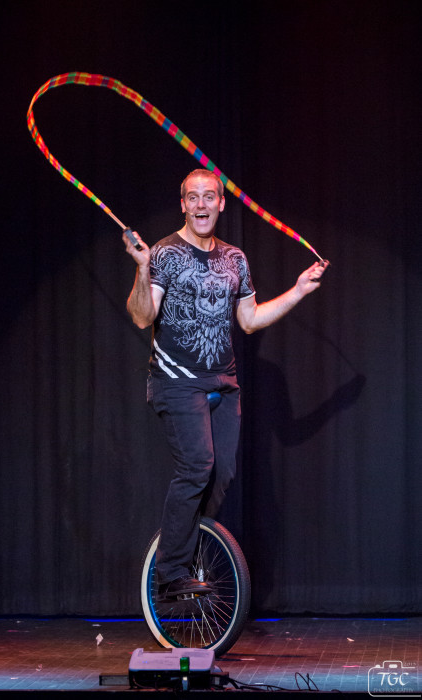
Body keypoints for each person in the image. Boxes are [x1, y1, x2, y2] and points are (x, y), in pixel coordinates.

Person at [123, 168, 329, 598]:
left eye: (209, 196)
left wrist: (298, 291)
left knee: (223, 473)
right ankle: (170, 574)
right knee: (197, 465)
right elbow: (142, 317)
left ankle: (188, 551)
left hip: (223, 380)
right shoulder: (163, 253)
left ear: (221, 203)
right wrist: (142, 268)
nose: (201, 204)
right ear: (183, 204)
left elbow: (249, 321)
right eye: (193, 197)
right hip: (177, 381)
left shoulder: (235, 258)